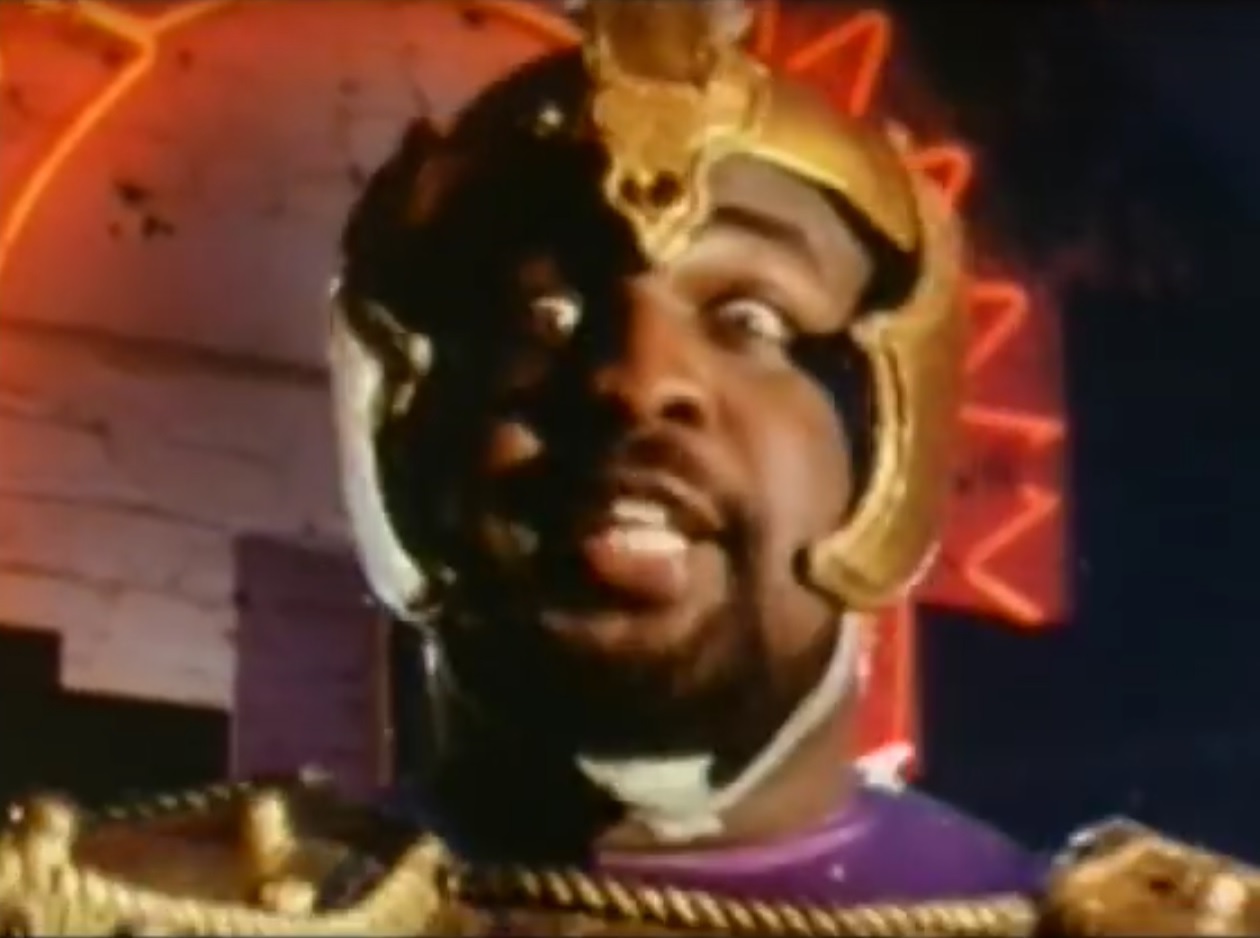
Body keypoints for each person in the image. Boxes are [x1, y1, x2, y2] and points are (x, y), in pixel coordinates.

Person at [1, 2, 1257, 935]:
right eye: (540, 316)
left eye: (751, 318)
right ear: (404, 429)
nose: (635, 380)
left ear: (886, 439)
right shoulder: (111, 911)